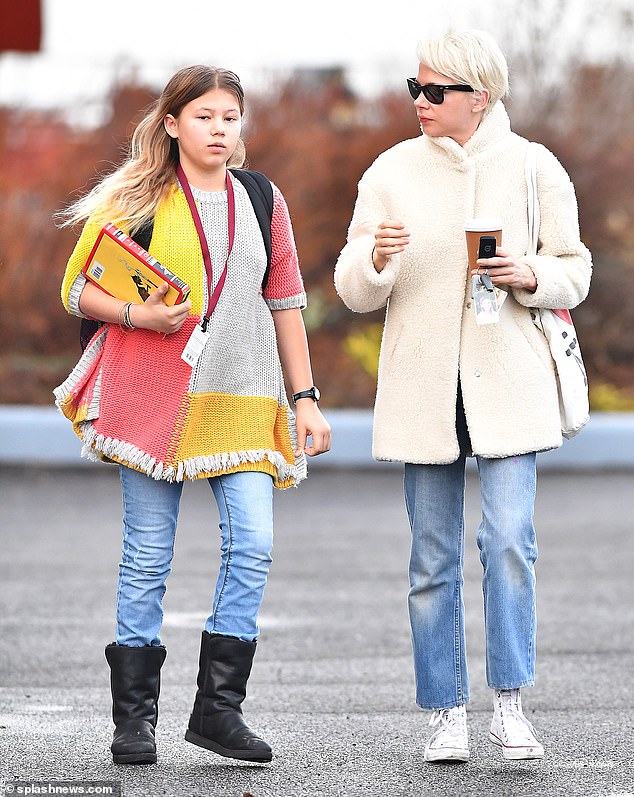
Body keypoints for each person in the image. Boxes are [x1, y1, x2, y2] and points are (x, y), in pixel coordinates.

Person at [55, 65, 331, 766]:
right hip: (154, 404)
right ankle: (134, 721)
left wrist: (305, 400)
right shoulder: (138, 196)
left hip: (243, 398)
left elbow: (286, 304)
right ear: (173, 122)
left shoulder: (262, 199)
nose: (220, 129)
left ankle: (218, 709)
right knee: (147, 558)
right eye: (205, 116)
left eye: (230, 117)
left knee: (256, 543)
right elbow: (77, 289)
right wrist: (139, 314)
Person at [334, 29, 591, 763]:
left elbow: (576, 269)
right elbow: (352, 288)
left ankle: (510, 705)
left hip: (509, 386)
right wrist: (375, 260)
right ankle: (446, 711)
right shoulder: (389, 171)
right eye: (414, 88)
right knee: (431, 559)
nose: (420, 101)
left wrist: (529, 272)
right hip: (425, 390)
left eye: (435, 91)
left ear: (479, 96)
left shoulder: (536, 167)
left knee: (510, 542)